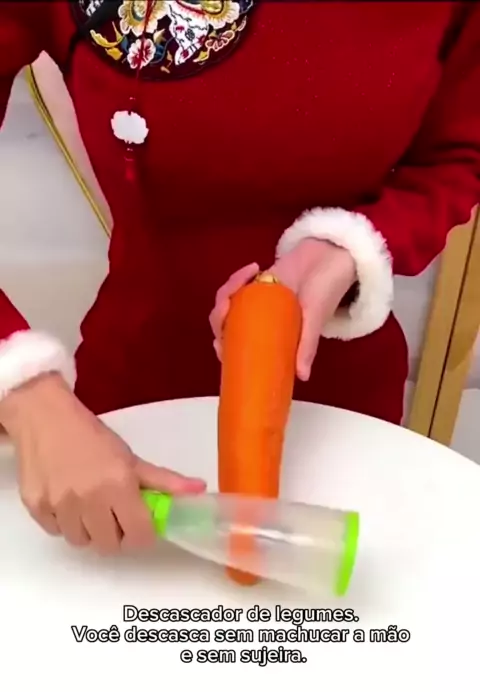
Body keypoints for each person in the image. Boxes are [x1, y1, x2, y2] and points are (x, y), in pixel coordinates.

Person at [0, 0, 479, 553]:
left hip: (344, 420)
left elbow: (458, 154)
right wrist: (24, 389)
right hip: (131, 398)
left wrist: (347, 248)